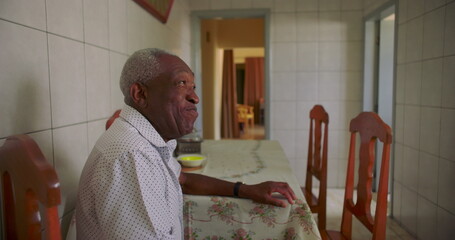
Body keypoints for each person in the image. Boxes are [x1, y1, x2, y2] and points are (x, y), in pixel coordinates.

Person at [76, 48, 296, 239]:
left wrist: (245, 190)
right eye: (181, 83)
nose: (195, 98)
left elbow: (183, 180)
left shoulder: (148, 140)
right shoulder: (132, 156)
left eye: (194, 86)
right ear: (140, 93)